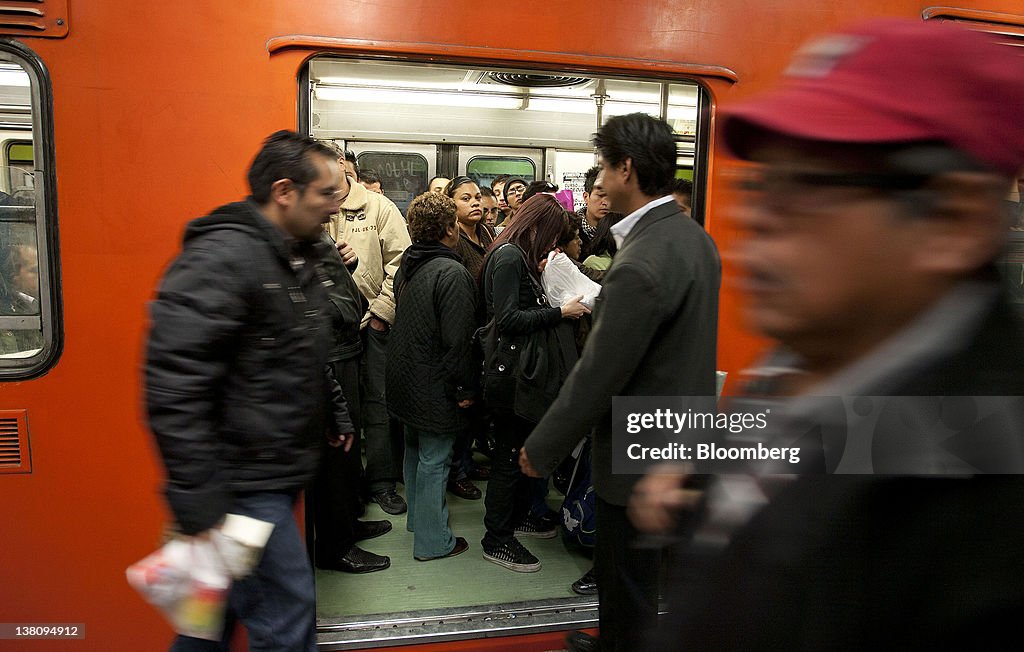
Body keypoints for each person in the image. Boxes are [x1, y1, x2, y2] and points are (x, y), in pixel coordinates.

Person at [629, 19, 1024, 651]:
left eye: (807, 186)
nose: (755, 219)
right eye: (761, 183)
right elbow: (828, 436)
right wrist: (699, 457)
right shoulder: (828, 351)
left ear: (955, 220)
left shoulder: (989, 514)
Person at [145, 130, 355, 651]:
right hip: (239, 486)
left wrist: (333, 411)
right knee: (285, 613)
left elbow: (299, 349)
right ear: (285, 191)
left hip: (268, 473)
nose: (337, 205)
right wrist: (199, 501)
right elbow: (175, 385)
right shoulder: (223, 258)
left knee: (209, 621)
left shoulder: (294, 255)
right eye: (327, 193)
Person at [519, 113, 721, 652]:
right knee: (658, 583)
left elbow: (600, 373)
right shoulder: (695, 240)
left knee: (626, 582)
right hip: (685, 439)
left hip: (639, 451)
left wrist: (543, 446)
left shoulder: (641, 261)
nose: (600, 183)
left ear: (626, 169)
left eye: (604, 169)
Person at [480, 194, 590, 572]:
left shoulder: (516, 256)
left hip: (518, 374)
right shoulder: (510, 257)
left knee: (520, 449)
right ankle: (497, 538)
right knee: (509, 457)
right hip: (511, 377)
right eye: (552, 236)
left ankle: (523, 516)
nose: (554, 245)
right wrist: (561, 310)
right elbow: (508, 318)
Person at [386, 192, 478, 561]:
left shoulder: (409, 262)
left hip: (403, 374)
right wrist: (466, 387)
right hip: (432, 381)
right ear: (449, 229)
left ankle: (417, 522)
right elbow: (459, 341)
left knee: (414, 449)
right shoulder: (452, 272)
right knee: (436, 459)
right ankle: (432, 541)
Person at [328, 149, 413, 516]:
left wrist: (382, 311)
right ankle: (347, 488)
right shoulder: (313, 208)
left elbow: (401, 262)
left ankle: (381, 481)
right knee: (340, 409)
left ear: (348, 171)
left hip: (372, 321)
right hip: (329, 326)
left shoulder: (378, 207)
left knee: (378, 402)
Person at [311, 227, 392, 575]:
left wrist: (353, 263)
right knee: (334, 457)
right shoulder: (292, 235)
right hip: (331, 352)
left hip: (345, 347)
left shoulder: (317, 231)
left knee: (348, 448)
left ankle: (347, 524)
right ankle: (335, 546)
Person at [446, 176, 496, 499]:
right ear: (452, 206)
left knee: (476, 405)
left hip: (485, 334)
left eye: (477, 197)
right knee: (461, 407)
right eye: (466, 198)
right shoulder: (455, 242)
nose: (476, 203)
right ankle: (457, 470)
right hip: (465, 331)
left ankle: (468, 461)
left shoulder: (487, 235)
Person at [576, 166, 610, 258]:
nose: (606, 203)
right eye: (600, 195)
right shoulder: (571, 228)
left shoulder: (619, 229)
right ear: (586, 197)